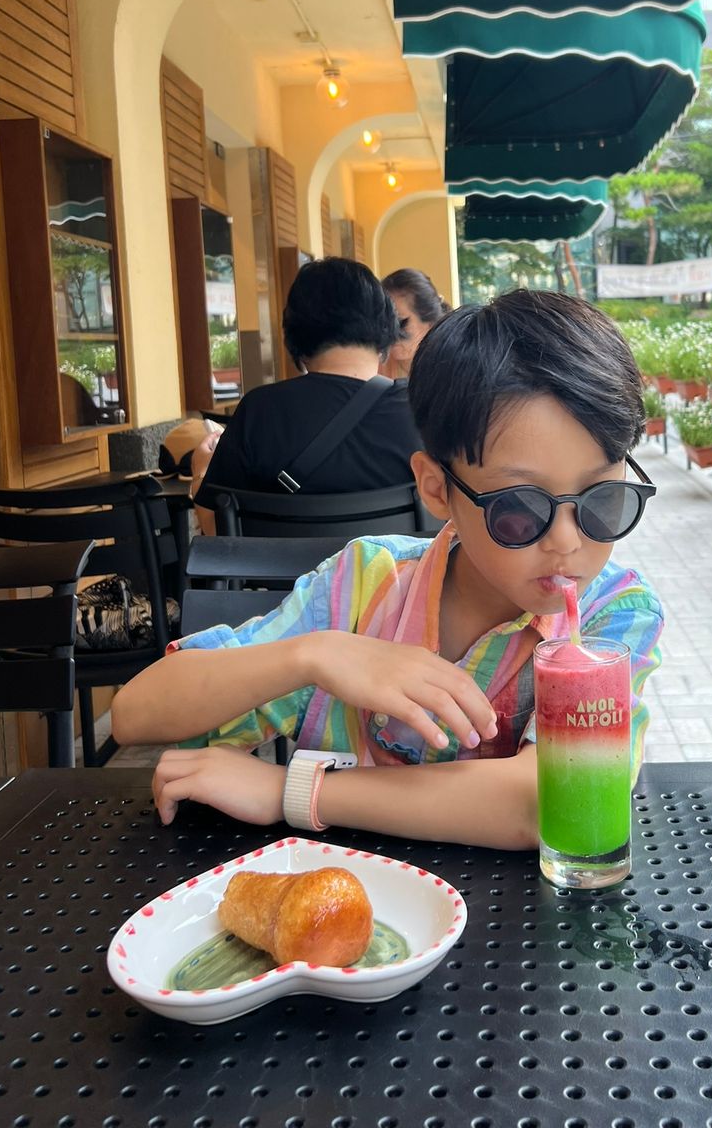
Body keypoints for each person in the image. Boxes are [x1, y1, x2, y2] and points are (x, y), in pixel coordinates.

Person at [112, 291, 664, 850]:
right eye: (519, 507)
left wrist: (292, 791)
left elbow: (545, 800)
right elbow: (135, 715)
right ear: (436, 489)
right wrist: (316, 655)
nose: (567, 540)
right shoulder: (363, 584)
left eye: (603, 498)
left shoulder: (614, 613)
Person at [188, 258, 421, 535]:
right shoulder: (420, 407)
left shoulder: (259, 411)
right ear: (387, 328)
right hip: (403, 565)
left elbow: (219, 534)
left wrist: (201, 473)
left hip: (282, 567)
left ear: (295, 336)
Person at [379, 267, 450, 379]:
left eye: (400, 323)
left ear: (430, 323)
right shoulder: (375, 367)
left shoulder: (452, 369)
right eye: (384, 323)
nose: (391, 333)